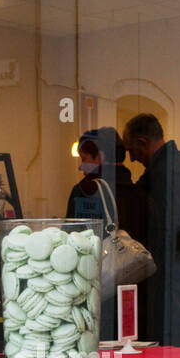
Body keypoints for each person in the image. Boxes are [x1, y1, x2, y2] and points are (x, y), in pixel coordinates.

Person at [122, 113, 180, 358]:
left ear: (143, 142)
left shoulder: (164, 172)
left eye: (132, 151)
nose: (132, 159)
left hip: (167, 281)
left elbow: (167, 230)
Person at [64, 127, 145, 340]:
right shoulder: (139, 193)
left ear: (101, 157)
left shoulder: (85, 192)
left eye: (85, 158)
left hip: (97, 291)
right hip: (133, 294)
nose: (81, 166)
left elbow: (70, 244)